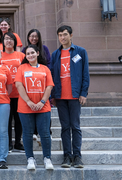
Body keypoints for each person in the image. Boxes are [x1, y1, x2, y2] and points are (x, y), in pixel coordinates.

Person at [50, 25, 90, 168]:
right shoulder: (56, 54)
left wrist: (83, 93)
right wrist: (53, 95)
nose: (62, 37)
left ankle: (77, 156)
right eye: (60, 35)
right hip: (60, 96)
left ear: (71, 35)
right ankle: (67, 156)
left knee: (75, 126)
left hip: (74, 96)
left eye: (65, 34)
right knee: (65, 127)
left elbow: (85, 74)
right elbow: (52, 76)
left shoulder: (80, 52)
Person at [15, 44, 54, 170]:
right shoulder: (22, 68)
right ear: (25, 56)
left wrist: (42, 102)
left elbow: (49, 86)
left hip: (43, 106)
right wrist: (28, 101)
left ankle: (47, 158)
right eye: (28, 54)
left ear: (37, 53)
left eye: (32, 53)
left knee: (45, 133)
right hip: (25, 106)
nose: (30, 55)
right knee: (27, 133)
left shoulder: (45, 69)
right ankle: (30, 158)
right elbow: (19, 85)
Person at [22, 29, 52, 141]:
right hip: (30, 83)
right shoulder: (25, 50)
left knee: (44, 106)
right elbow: (23, 65)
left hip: (43, 81)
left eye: (36, 36)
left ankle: (47, 131)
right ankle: (34, 132)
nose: (33, 38)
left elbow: (49, 63)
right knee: (32, 106)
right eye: (31, 36)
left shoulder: (44, 49)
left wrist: (44, 74)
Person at [0, 32, 25, 152]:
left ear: (15, 42)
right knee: (7, 120)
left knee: (19, 119)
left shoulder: (21, 55)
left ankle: (18, 142)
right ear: (3, 42)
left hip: (19, 93)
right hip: (4, 94)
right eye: (6, 39)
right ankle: (8, 142)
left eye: (11, 39)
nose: (8, 41)